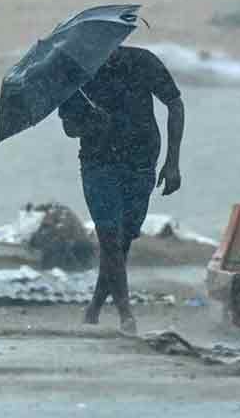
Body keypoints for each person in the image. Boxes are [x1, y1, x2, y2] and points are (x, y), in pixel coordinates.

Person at [58, 45, 184, 334]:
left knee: (122, 241)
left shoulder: (142, 61)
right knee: (110, 239)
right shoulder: (74, 74)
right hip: (98, 164)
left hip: (141, 163)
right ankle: (127, 314)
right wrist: (90, 123)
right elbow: (69, 127)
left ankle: (93, 308)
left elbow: (175, 103)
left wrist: (173, 161)